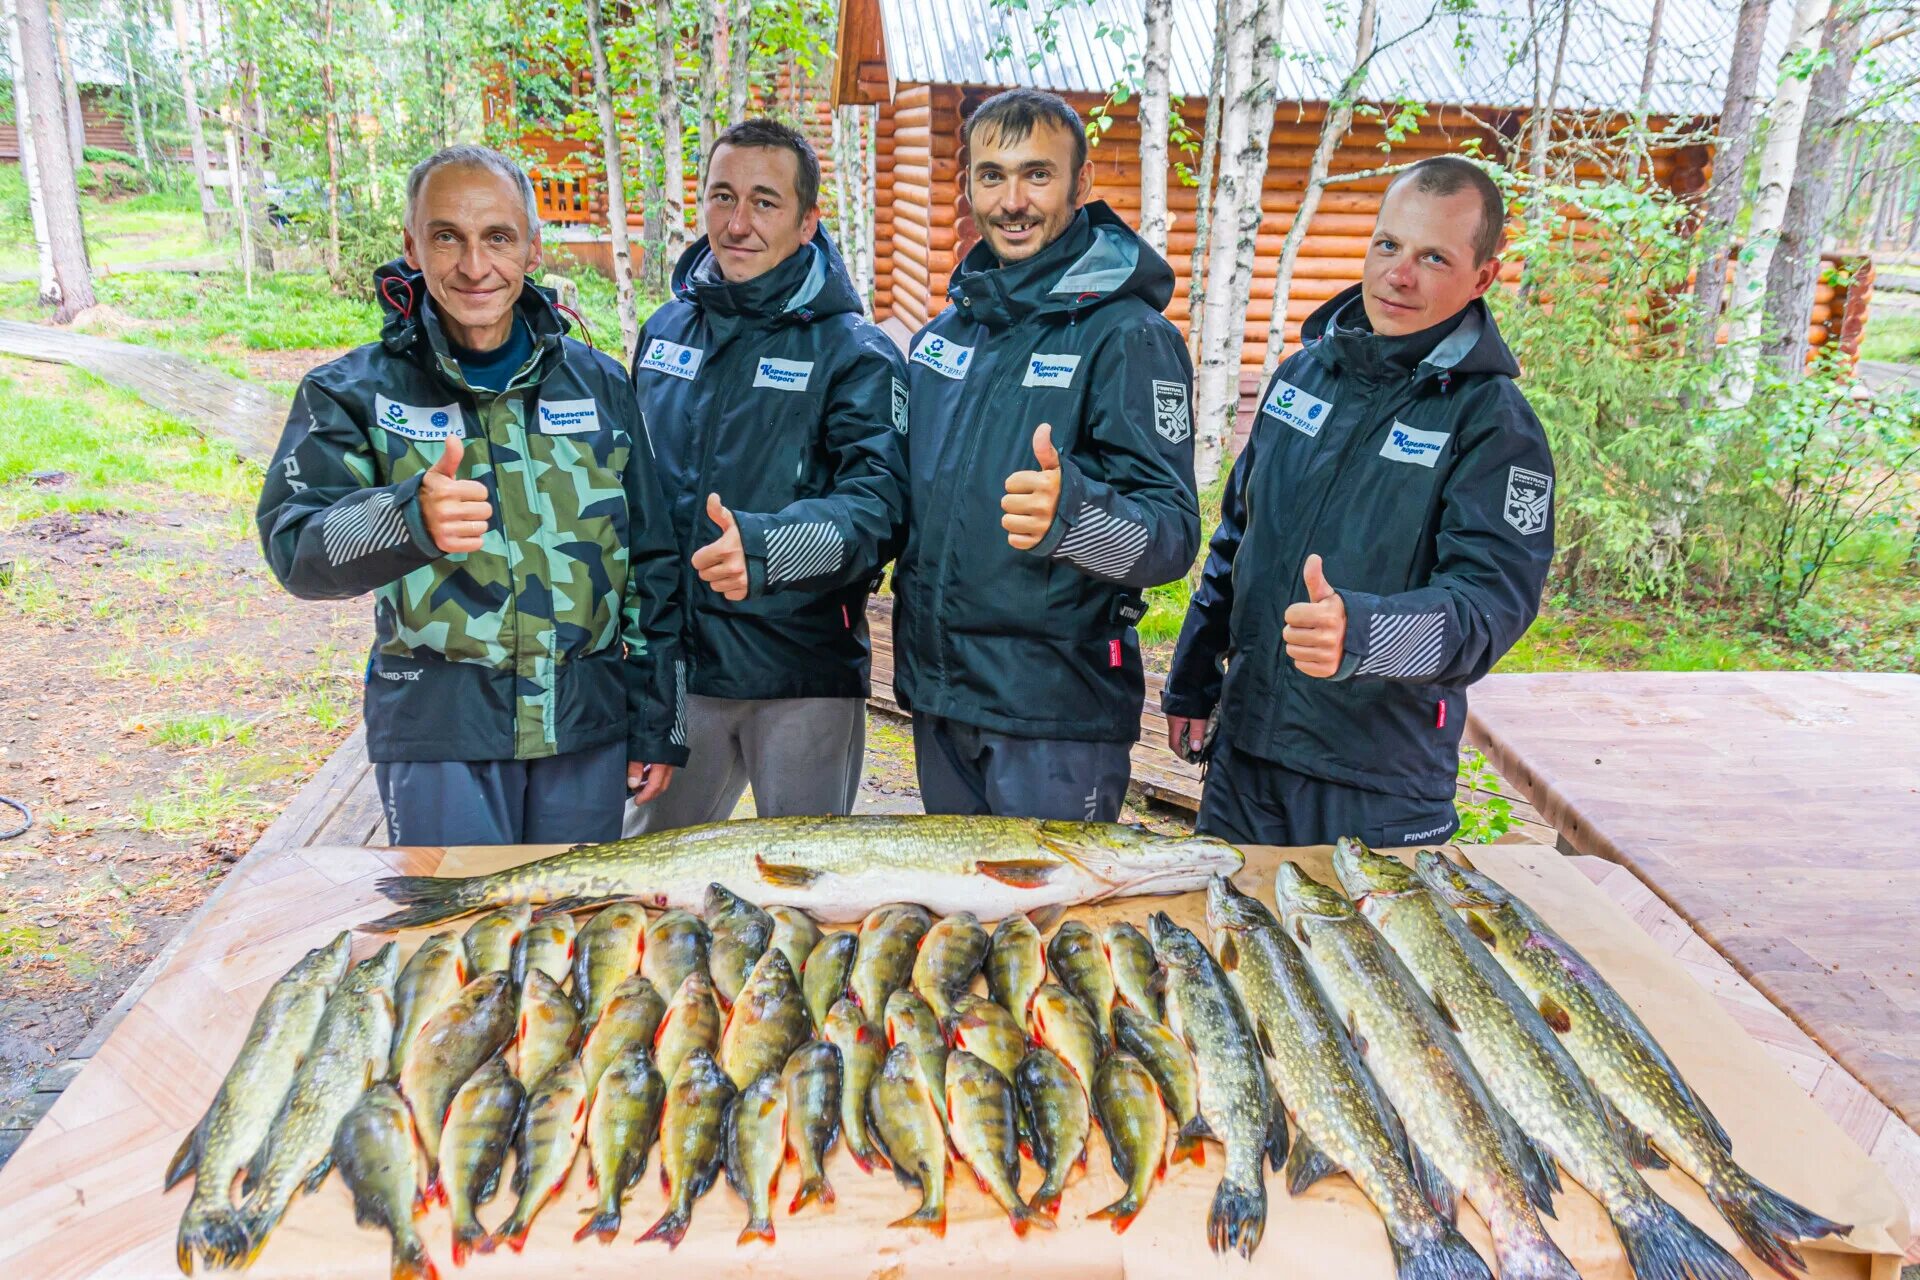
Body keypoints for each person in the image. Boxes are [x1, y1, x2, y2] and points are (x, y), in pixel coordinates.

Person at [257, 144, 687, 846]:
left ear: (532, 247)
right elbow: (293, 545)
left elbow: (651, 561)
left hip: (584, 727)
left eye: (498, 237)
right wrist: (404, 519)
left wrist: (658, 721)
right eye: (447, 237)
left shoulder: (600, 383)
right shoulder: (351, 392)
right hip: (440, 735)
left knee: (568, 933)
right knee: (456, 939)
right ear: (412, 245)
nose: (475, 266)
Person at [1162, 155, 1555, 847]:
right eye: (1388, 245)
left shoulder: (1494, 424)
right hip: (1245, 761)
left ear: (1482, 277)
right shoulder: (1301, 376)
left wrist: (1366, 634)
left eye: (1433, 257)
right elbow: (1237, 539)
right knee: (1224, 949)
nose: (1398, 275)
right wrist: (1194, 676)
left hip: (1376, 788)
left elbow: (1491, 606)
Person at [893, 88, 1200, 822]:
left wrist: (1074, 518)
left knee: (1050, 933)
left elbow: (1171, 534)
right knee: (965, 930)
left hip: (1057, 717)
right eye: (992, 175)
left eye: (1037, 174)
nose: (1012, 201)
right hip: (942, 700)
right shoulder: (946, 337)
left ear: (1081, 185)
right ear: (967, 186)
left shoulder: (1128, 335)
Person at [623, 119, 907, 833]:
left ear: (808, 221)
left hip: (800, 675)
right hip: (682, 675)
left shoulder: (856, 353)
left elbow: (878, 511)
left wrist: (769, 547)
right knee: (656, 887)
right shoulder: (663, 334)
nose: (738, 222)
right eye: (722, 196)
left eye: (765, 201)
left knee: (804, 892)